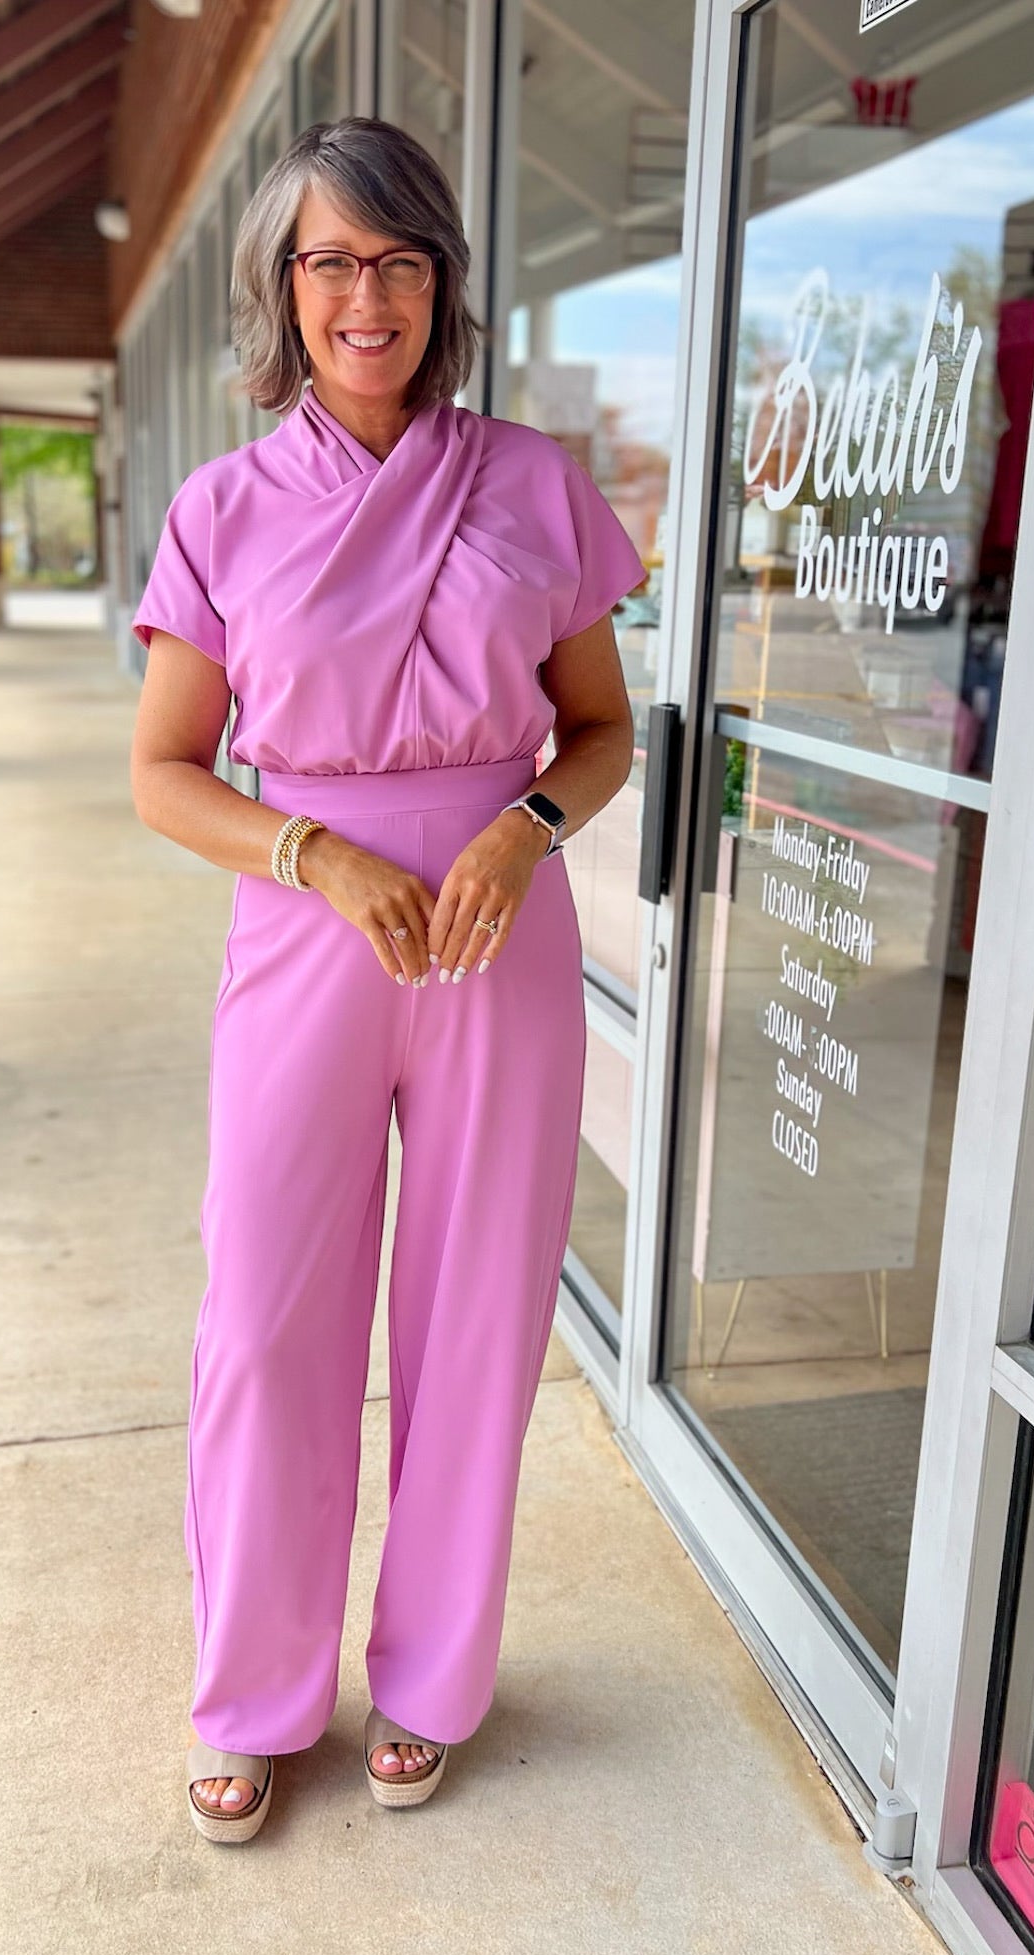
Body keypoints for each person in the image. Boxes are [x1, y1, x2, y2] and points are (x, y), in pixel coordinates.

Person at [128, 114, 646, 1844]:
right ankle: (254, 1689)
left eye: (402, 259)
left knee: (474, 1324)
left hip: (499, 942)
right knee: (266, 1321)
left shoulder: (534, 481)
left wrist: (522, 830)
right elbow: (162, 774)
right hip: (307, 930)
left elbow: (599, 731)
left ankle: (430, 1675)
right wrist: (317, 853)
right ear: (285, 286)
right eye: (334, 261)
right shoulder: (221, 506)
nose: (370, 295)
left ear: (442, 283)